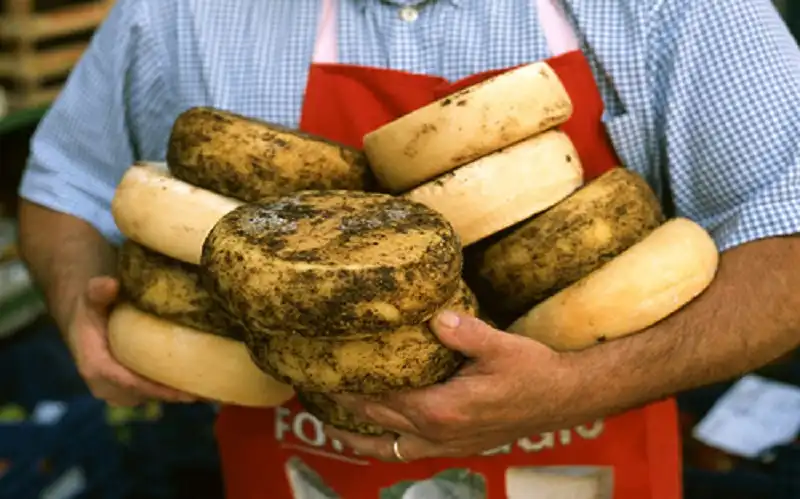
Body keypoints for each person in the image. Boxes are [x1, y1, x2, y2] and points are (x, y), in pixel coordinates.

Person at [16, 0, 800, 497]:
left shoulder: (675, 9)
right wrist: (81, 304)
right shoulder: (180, 12)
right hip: (291, 466)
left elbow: (789, 240)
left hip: (585, 461)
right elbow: (66, 184)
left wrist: (581, 385)